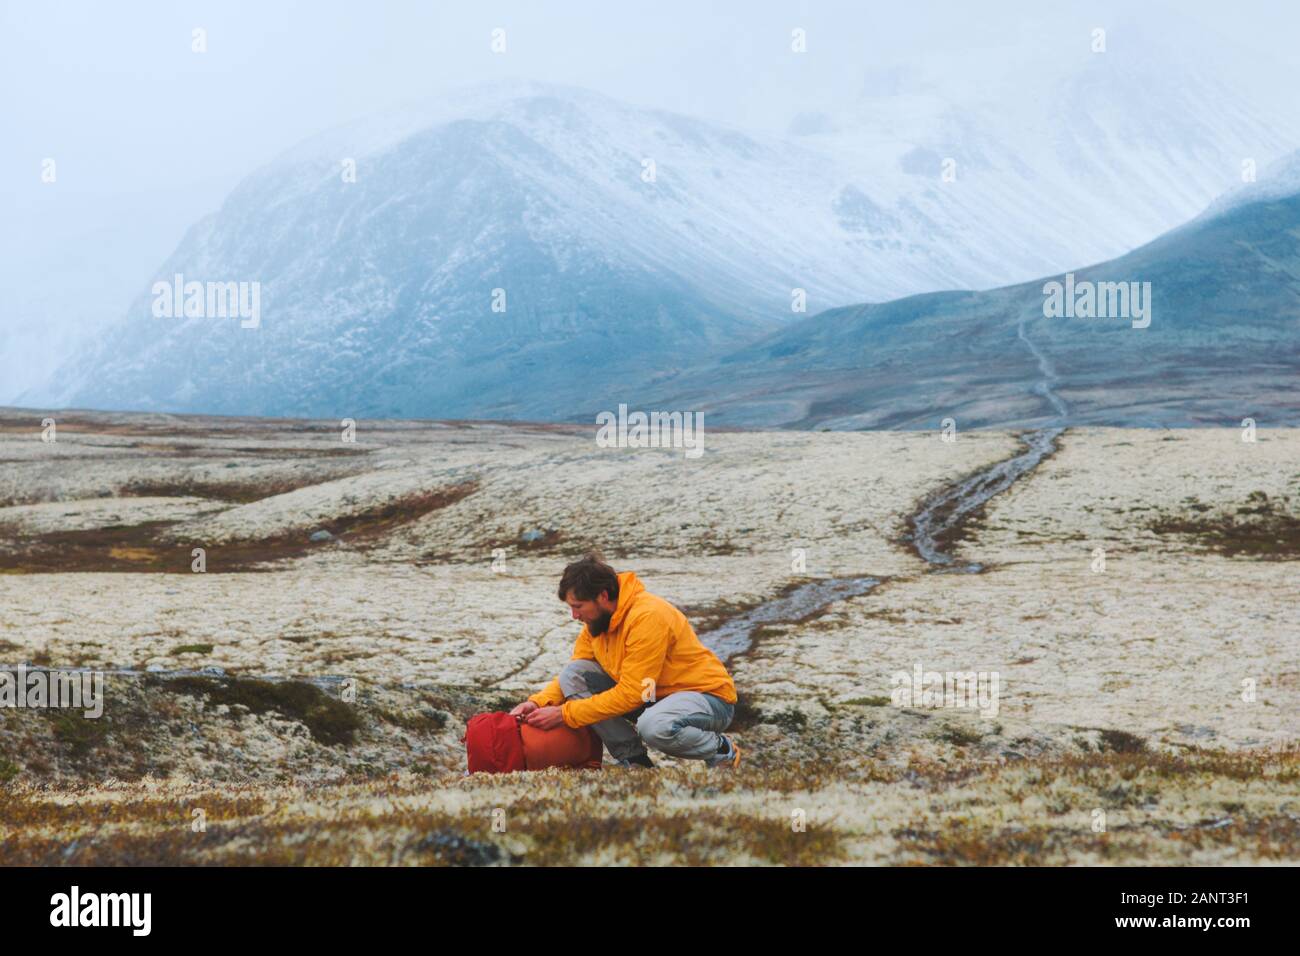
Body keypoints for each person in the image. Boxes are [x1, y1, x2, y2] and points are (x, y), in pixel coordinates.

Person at [511, 553, 741, 769]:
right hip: (654, 697)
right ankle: (635, 761)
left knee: (654, 726)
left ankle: (721, 750)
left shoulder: (647, 616)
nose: (574, 616)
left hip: (708, 699)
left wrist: (564, 714)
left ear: (602, 595)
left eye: (578, 606)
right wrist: (538, 703)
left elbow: (634, 693)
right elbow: (572, 675)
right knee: (575, 673)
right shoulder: (597, 624)